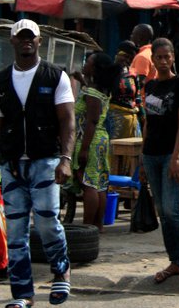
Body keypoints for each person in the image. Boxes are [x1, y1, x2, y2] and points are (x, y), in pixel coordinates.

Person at [0, 19, 76, 307]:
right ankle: (23, 293)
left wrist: (66, 159)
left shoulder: (55, 76)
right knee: (15, 232)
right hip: (11, 166)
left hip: (45, 160)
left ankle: (61, 271)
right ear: (12, 41)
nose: (26, 41)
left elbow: (68, 121)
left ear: (39, 41)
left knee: (48, 221)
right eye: (20, 37)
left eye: (31, 37)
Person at [141, 38, 179, 287]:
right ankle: (175, 261)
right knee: (162, 213)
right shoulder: (150, 85)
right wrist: (142, 159)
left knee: (172, 210)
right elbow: (148, 122)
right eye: (159, 57)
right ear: (152, 59)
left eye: (168, 56)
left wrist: (176, 158)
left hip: (170, 154)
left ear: (173, 57)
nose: (164, 61)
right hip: (151, 154)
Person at [73, 52, 119, 230]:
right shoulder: (100, 89)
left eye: (88, 62)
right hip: (100, 139)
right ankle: (97, 225)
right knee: (99, 184)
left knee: (88, 183)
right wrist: (82, 80)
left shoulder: (92, 92)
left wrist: (84, 149)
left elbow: (91, 121)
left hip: (89, 139)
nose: (84, 64)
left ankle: (87, 226)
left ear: (94, 68)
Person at [106, 40, 141, 139]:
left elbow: (137, 98)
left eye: (130, 58)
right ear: (117, 54)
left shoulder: (133, 74)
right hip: (114, 120)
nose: (127, 60)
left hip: (132, 120)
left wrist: (144, 118)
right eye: (124, 55)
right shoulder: (108, 71)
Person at [130, 24, 157, 95]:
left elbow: (138, 83)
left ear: (139, 38)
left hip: (141, 102)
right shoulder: (151, 53)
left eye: (133, 34)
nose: (131, 36)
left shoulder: (142, 57)